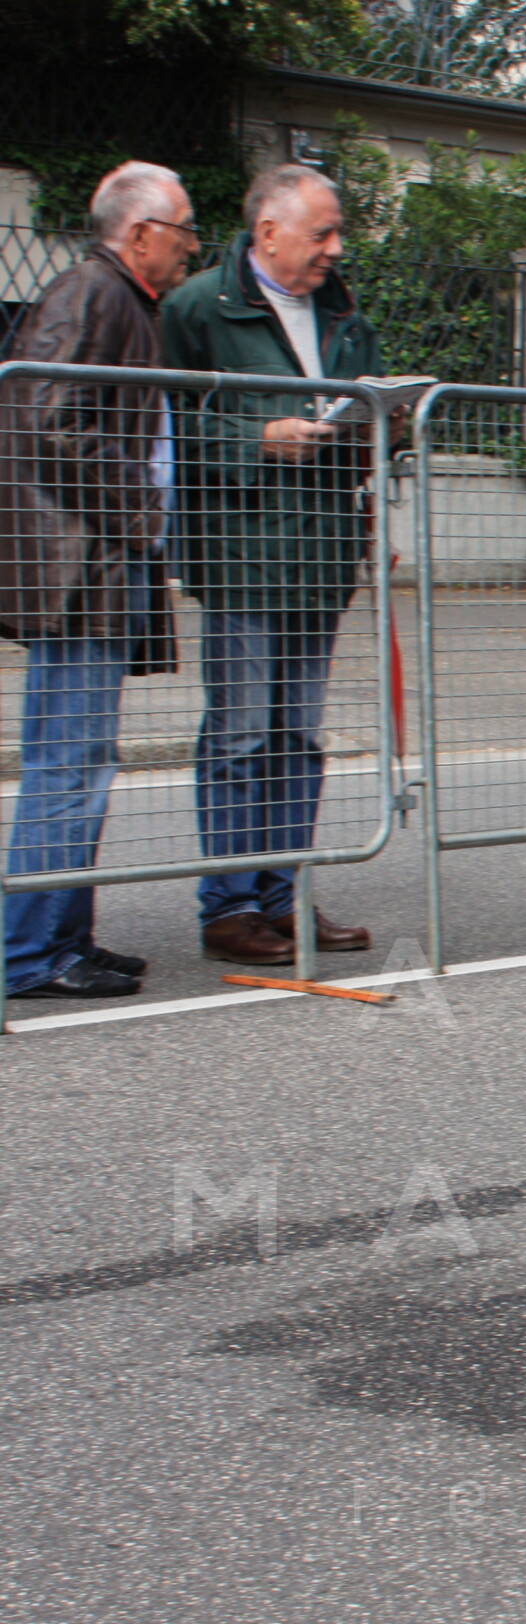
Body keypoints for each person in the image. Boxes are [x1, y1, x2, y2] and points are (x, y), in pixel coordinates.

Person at [159, 163, 377, 965]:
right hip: (241, 554)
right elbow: (163, 427)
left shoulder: (343, 311)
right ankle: (230, 907)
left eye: (337, 232)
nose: (335, 247)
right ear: (269, 232)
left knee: (296, 736)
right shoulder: (195, 309)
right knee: (241, 732)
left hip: (320, 552)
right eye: (322, 233)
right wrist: (257, 438)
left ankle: (283, 898)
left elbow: (365, 422)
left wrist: (382, 427)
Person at [0, 162, 197, 999]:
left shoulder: (117, 297)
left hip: (96, 567)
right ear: (141, 232)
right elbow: (52, 419)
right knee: (69, 764)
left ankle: (63, 938)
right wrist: (143, 509)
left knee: (82, 761)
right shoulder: (93, 292)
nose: (192, 245)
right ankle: (29, 953)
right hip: (82, 573)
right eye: (184, 229)